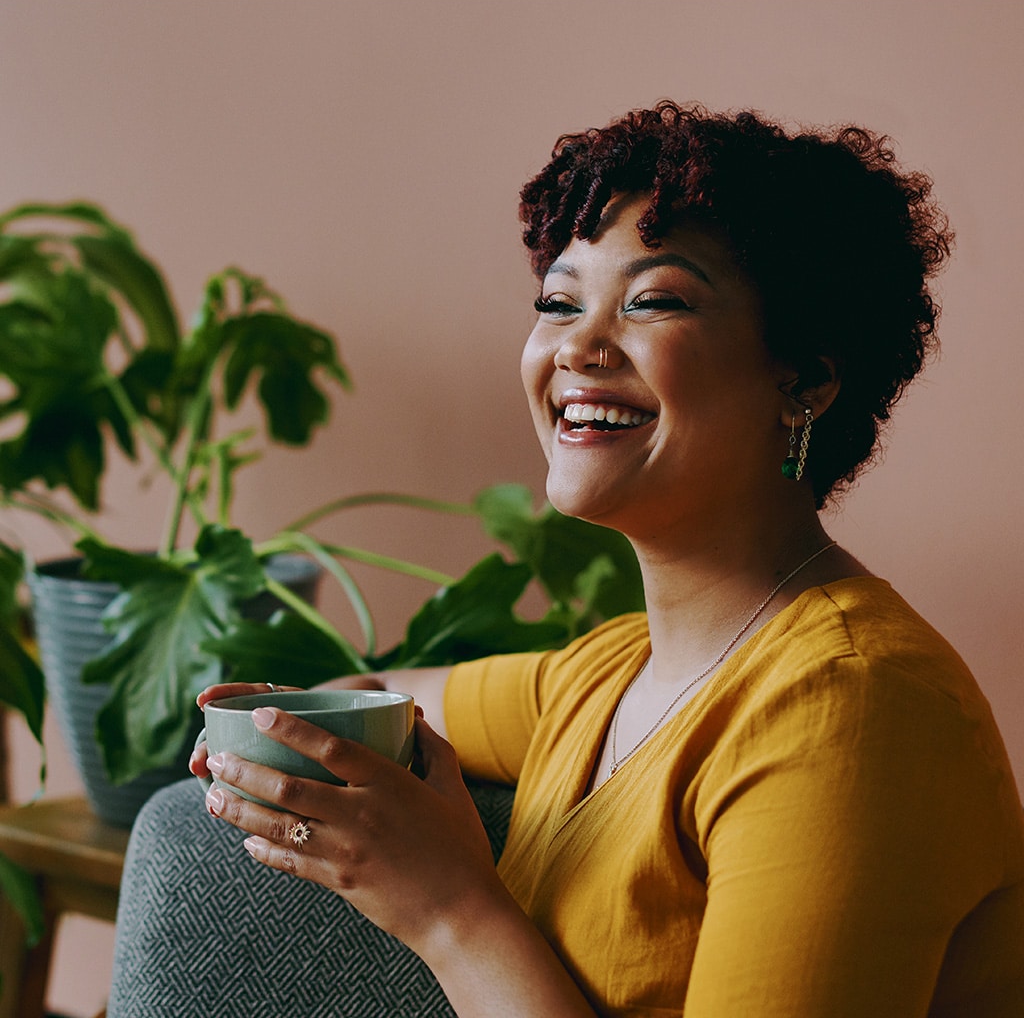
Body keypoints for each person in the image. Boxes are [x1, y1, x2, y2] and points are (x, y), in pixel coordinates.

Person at [190, 101, 1024, 1017]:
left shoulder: (856, 705)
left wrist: (448, 912)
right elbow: (382, 701)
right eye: (558, 302)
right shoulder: (603, 678)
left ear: (805, 380)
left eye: (653, 300)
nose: (577, 348)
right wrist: (265, 735)